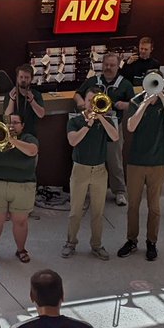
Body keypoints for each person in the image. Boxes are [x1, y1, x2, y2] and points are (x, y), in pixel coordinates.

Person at [117, 75, 164, 262]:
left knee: (154, 207)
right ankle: (131, 240)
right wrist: (144, 103)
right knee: (133, 205)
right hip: (136, 161)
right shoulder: (136, 101)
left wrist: (162, 98)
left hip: (158, 162)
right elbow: (131, 126)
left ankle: (152, 242)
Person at [62, 90, 119, 260]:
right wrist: (88, 125)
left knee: (98, 211)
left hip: (99, 170)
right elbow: (73, 141)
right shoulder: (76, 121)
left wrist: (101, 117)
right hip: (80, 169)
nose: (93, 103)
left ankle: (97, 245)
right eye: (90, 100)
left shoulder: (105, 120)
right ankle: (70, 243)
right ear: (84, 102)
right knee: (75, 211)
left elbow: (115, 137)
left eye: (96, 100)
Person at [74, 51, 133, 206]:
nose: (108, 67)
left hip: (112, 125)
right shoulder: (93, 80)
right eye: (106, 64)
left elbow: (133, 104)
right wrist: (80, 102)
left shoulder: (125, 84)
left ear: (117, 66)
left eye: (112, 65)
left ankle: (119, 191)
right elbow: (77, 94)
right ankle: (87, 189)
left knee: (115, 159)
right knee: (90, 157)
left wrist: (124, 105)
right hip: (92, 126)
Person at [0, 111, 38, 262]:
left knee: (20, 221)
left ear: (22, 126)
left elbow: (32, 151)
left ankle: (21, 250)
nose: (11, 125)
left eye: (16, 123)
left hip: (22, 186)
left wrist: (12, 140)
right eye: (9, 122)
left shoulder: (28, 138)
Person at [2, 63, 45, 136]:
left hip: (30, 133)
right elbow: (7, 116)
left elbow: (41, 114)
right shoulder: (10, 94)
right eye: (21, 77)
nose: (23, 80)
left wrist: (32, 101)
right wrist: (12, 100)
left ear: (31, 79)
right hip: (13, 133)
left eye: (26, 77)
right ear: (17, 78)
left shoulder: (36, 94)